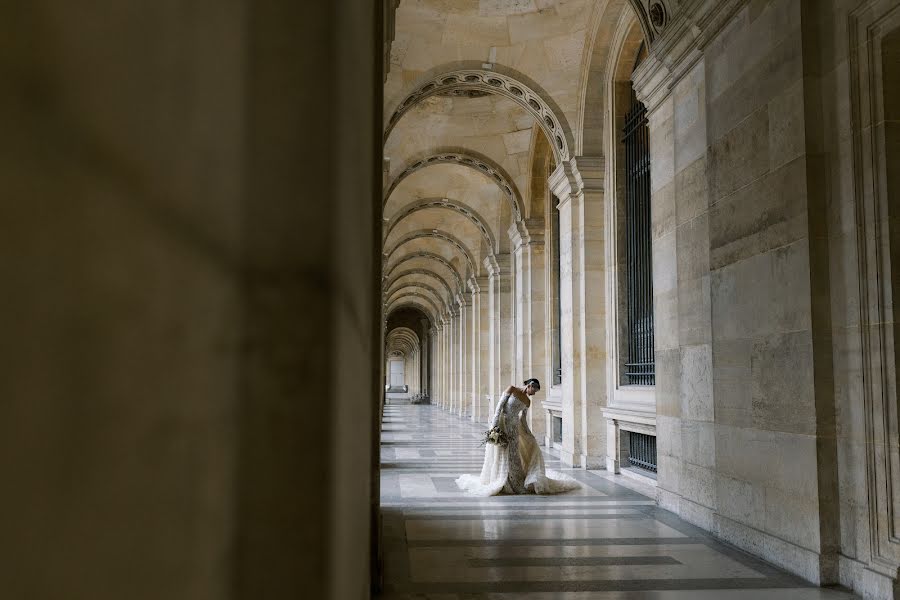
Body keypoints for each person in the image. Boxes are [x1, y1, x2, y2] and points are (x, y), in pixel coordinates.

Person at [456, 378, 580, 496]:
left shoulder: (527, 402)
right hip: (502, 424)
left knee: (513, 454)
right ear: (530, 385)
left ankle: (514, 480)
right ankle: (501, 480)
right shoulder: (512, 389)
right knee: (502, 451)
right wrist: (494, 426)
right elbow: (499, 406)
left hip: (514, 428)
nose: (534, 394)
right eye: (534, 391)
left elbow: (523, 419)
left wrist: (529, 434)